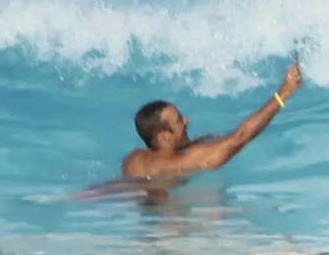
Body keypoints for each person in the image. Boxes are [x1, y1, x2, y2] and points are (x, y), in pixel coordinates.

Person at [121, 61, 303, 182]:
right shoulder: (192, 161)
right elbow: (241, 136)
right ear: (163, 137)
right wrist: (284, 94)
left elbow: (164, 158)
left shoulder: (134, 159)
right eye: (178, 120)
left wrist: (189, 144)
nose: (186, 120)